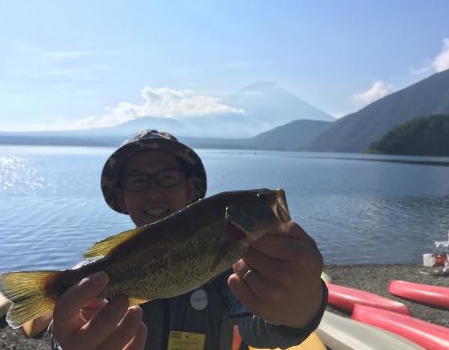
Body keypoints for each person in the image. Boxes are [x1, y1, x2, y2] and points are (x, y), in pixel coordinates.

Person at [50, 129, 327, 350]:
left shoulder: (234, 266)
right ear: (122, 196)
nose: (154, 193)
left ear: (190, 188)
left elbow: (259, 330)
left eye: (168, 178)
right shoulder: (98, 276)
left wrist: (302, 312)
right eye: (138, 182)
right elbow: (70, 330)